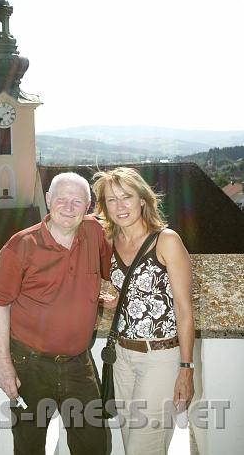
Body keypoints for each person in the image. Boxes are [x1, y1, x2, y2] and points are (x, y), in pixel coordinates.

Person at [0, 172, 111, 455]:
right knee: (29, 446)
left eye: (77, 201)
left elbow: (115, 269)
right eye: (61, 199)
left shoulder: (94, 233)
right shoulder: (20, 246)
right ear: (48, 200)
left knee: (93, 446)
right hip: (29, 365)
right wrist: (2, 364)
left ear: (88, 206)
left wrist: (114, 295)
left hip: (79, 364)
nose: (69, 207)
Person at [92, 167, 195, 455]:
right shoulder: (111, 243)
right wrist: (117, 302)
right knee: (130, 443)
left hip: (160, 358)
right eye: (111, 200)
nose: (120, 206)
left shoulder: (167, 241)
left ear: (142, 200)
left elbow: (184, 311)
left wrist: (186, 370)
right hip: (122, 358)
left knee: (143, 448)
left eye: (127, 197)